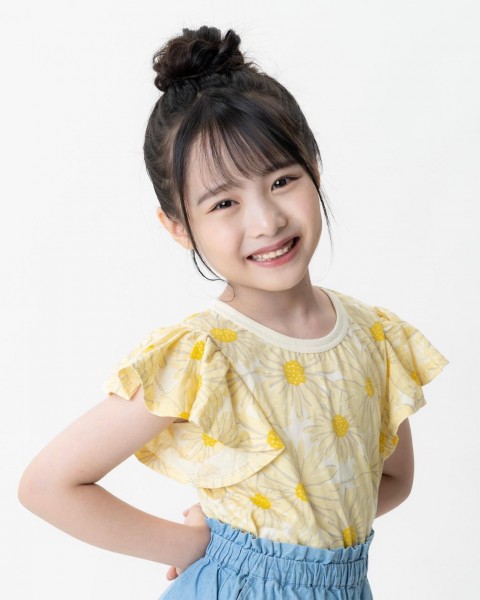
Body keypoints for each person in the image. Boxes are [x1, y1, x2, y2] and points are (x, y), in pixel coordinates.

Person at [18, 25, 449, 600]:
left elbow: (391, 478)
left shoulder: (373, 336)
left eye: (282, 180)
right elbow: (48, 485)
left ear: (315, 169)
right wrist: (196, 546)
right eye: (224, 202)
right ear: (178, 227)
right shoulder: (204, 353)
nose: (266, 221)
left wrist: (282, 519)